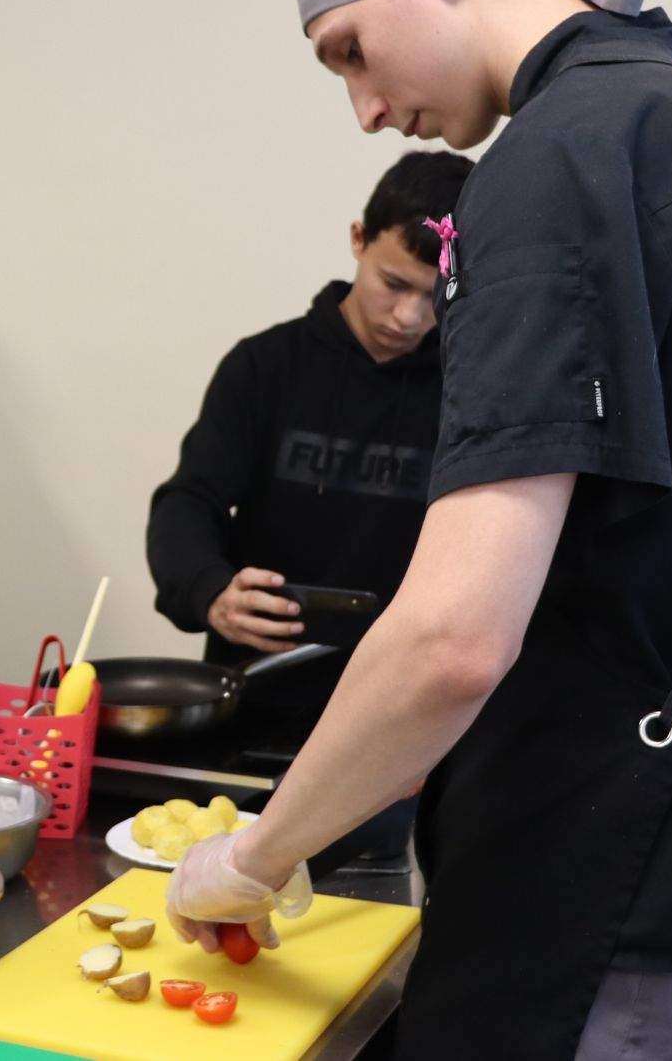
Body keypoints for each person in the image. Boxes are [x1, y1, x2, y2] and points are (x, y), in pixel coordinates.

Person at [163, 0, 672, 1060]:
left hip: (603, 894)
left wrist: (253, 857)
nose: (365, 108)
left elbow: (454, 637)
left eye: (347, 51)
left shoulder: (555, 160)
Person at [145, 152, 468, 860]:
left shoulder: (470, 392)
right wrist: (209, 591)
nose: (410, 316)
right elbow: (186, 503)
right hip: (251, 709)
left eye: (434, 295)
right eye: (392, 283)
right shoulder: (264, 367)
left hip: (395, 727)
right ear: (358, 238)